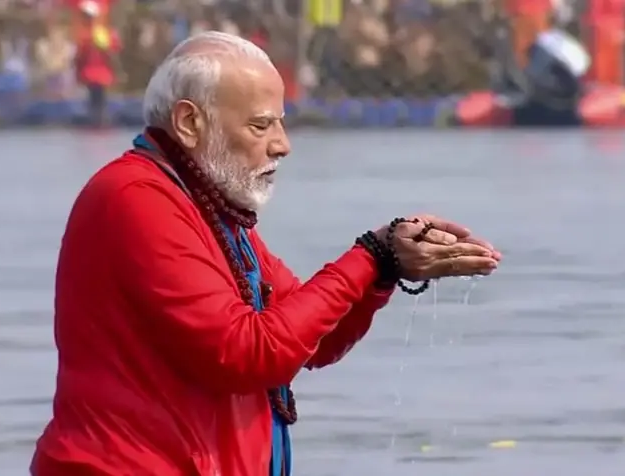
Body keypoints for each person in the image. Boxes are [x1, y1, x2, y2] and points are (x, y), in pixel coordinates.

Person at [30, 31, 501, 476]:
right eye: (261, 125)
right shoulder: (136, 197)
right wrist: (371, 255)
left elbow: (315, 340)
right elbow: (249, 354)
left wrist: (386, 267)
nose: (283, 145)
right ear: (190, 123)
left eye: (281, 122)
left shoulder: (208, 207)